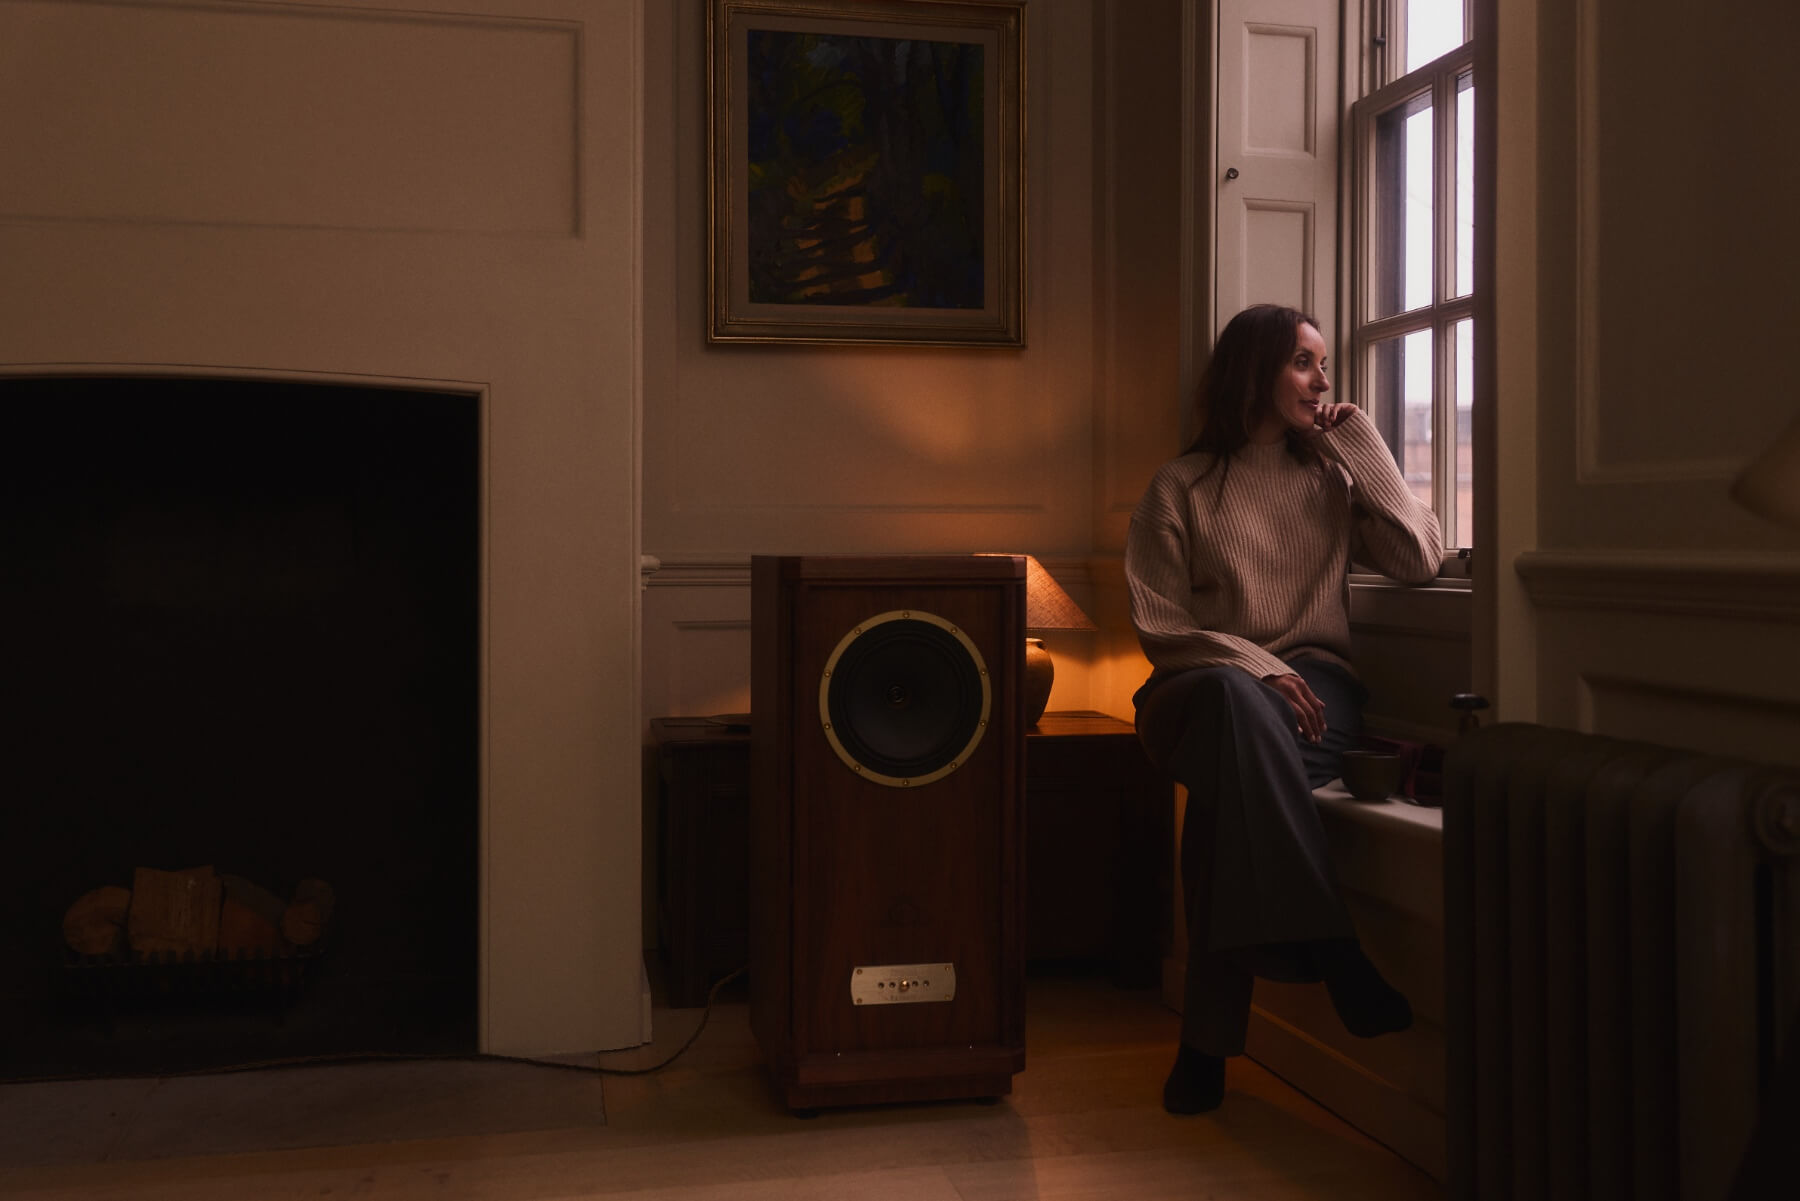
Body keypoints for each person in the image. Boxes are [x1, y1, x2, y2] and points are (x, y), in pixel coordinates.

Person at [1124, 303, 1442, 1114]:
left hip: (1317, 694)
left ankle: (1205, 1049)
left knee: (1232, 797)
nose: (1323, 380)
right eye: (1304, 362)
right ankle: (1334, 947)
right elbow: (1162, 625)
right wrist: (1256, 664)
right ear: (1253, 370)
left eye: (1324, 365)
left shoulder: (1329, 479)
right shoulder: (1179, 485)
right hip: (1197, 685)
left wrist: (1362, 446)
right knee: (1236, 700)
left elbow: (1419, 558)